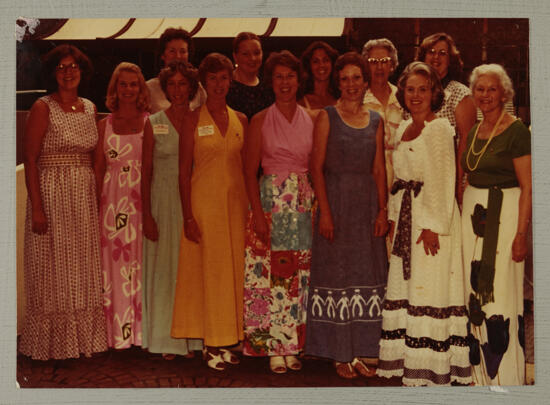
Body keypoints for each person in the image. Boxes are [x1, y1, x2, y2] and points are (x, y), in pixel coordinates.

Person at [377, 62, 471, 386]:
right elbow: (399, 178)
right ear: (402, 92)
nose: (416, 95)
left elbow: (445, 179)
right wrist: (391, 217)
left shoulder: (440, 128)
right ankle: (409, 361)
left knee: (430, 288)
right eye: (410, 89)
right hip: (406, 217)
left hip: (432, 221)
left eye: (423, 89)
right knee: (409, 287)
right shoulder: (404, 127)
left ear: (434, 93)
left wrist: (431, 226)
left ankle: (432, 368)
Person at [20, 44, 108, 360]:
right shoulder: (43, 107)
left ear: (82, 71)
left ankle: (82, 341)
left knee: (81, 268)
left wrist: (97, 197)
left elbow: (96, 159)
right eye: (61, 67)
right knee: (51, 268)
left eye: (73, 67)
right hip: (52, 192)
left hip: (82, 197)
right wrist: (38, 207)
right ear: (53, 73)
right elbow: (30, 159)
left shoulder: (90, 106)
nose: (68, 72)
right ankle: (52, 345)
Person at [305, 52, 388, 379]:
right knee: (338, 277)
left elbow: (379, 168)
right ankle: (339, 353)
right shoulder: (327, 116)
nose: (351, 85)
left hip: (366, 206)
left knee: (366, 274)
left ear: (366, 81)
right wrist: (325, 212)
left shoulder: (377, 120)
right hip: (336, 204)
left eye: (357, 78)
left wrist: (382, 210)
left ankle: (364, 350)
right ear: (337, 83)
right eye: (345, 79)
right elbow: (316, 167)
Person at [171, 53, 248, 371]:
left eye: (225, 77)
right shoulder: (192, 119)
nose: (219, 84)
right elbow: (183, 170)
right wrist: (188, 215)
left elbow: (245, 169)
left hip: (235, 207)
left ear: (231, 80)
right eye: (213, 78)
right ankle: (211, 342)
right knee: (209, 274)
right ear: (203, 82)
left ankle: (230, 338)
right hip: (204, 206)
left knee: (232, 273)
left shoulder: (241, 119)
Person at [242, 50, 317, 374]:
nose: (284, 83)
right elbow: (248, 172)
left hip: (300, 201)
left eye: (290, 76)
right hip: (270, 201)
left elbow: (316, 166)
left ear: (298, 80)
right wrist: (257, 214)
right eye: (278, 77)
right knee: (267, 276)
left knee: (295, 277)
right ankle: (272, 346)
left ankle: (292, 344)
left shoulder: (311, 118)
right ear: (270, 82)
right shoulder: (260, 119)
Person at [461, 64, 531, 386]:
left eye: (492, 89)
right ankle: (480, 379)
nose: (485, 95)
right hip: (472, 226)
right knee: (474, 297)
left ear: (504, 93)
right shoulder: (475, 131)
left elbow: (528, 186)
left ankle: (505, 380)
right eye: (480, 89)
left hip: (502, 225)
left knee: (499, 298)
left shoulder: (516, 131)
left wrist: (521, 235)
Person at [141, 61, 203, 359]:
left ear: (191, 87)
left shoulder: (200, 119)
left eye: (183, 84)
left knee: (190, 270)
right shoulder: (153, 122)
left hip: (193, 199)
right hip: (162, 202)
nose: (178, 90)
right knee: (166, 271)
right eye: (172, 84)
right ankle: (167, 339)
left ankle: (193, 339)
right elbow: (146, 172)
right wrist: (146, 215)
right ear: (165, 89)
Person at [95, 62, 151, 349]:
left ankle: (141, 335)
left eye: (133, 84)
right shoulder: (104, 124)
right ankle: (118, 336)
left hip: (141, 201)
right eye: (123, 84)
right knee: (115, 269)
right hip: (113, 204)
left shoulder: (150, 121)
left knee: (141, 266)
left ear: (141, 89)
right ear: (114, 88)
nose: (128, 89)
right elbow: (98, 169)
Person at [418, 32, 477, 200]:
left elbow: (466, 140)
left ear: (450, 59)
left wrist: (457, 183)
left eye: (442, 53)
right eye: (431, 51)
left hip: (449, 179)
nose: (436, 57)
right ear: (423, 57)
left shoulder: (460, 93)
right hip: (420, 177)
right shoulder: (415, 93)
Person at [362, 38, 404, 190]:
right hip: (368, 182)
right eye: (373, 61)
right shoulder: (358, 100)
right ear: (366, 66)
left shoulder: (404, 98)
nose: (379, 67)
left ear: (392, 65)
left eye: (384, 61)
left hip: (400, 181)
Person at [146, 27, 206, 113]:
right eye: (172, 51)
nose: (178, 56)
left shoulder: (198, 88)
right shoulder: (149, 88)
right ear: (163, 55)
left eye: (182, 51)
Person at [226, 31, 274, 120]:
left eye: (256, 53)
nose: (252, 58)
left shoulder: (268, 87)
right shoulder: (225, 86)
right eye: (245, 54)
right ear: (235, 56)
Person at [298, 41, 339, 110]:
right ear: (309, 66)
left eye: (325, 60)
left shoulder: (340, 98)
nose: (321, 65)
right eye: (315, 61)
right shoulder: (301, 101)